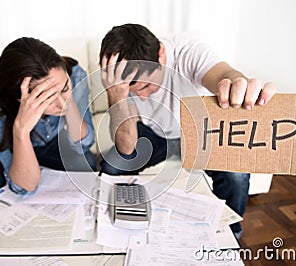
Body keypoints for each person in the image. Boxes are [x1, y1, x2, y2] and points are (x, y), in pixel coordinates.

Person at [98, 24, 276, 239]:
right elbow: (126, 149)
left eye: (146, 87)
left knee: (236, 173)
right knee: (113, 165)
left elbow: (224, 75)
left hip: (199, 130)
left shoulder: (188, 53)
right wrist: (117, 97)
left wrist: (238, 85)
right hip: (154, 132)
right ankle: (126, 227)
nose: (142, 97)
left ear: (161, 54)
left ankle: (231, 232)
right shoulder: (119, 81)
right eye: (133, 92)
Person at [0, 37, 96, 247]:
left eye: (63, 88)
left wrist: (69, 100)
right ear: (20, 98)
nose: (61, 103)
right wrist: (21, 130)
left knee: (86, 164)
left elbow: (84, 143)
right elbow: (24, 187)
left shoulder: (75, 75)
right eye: (47, 98)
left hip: (45, 138)